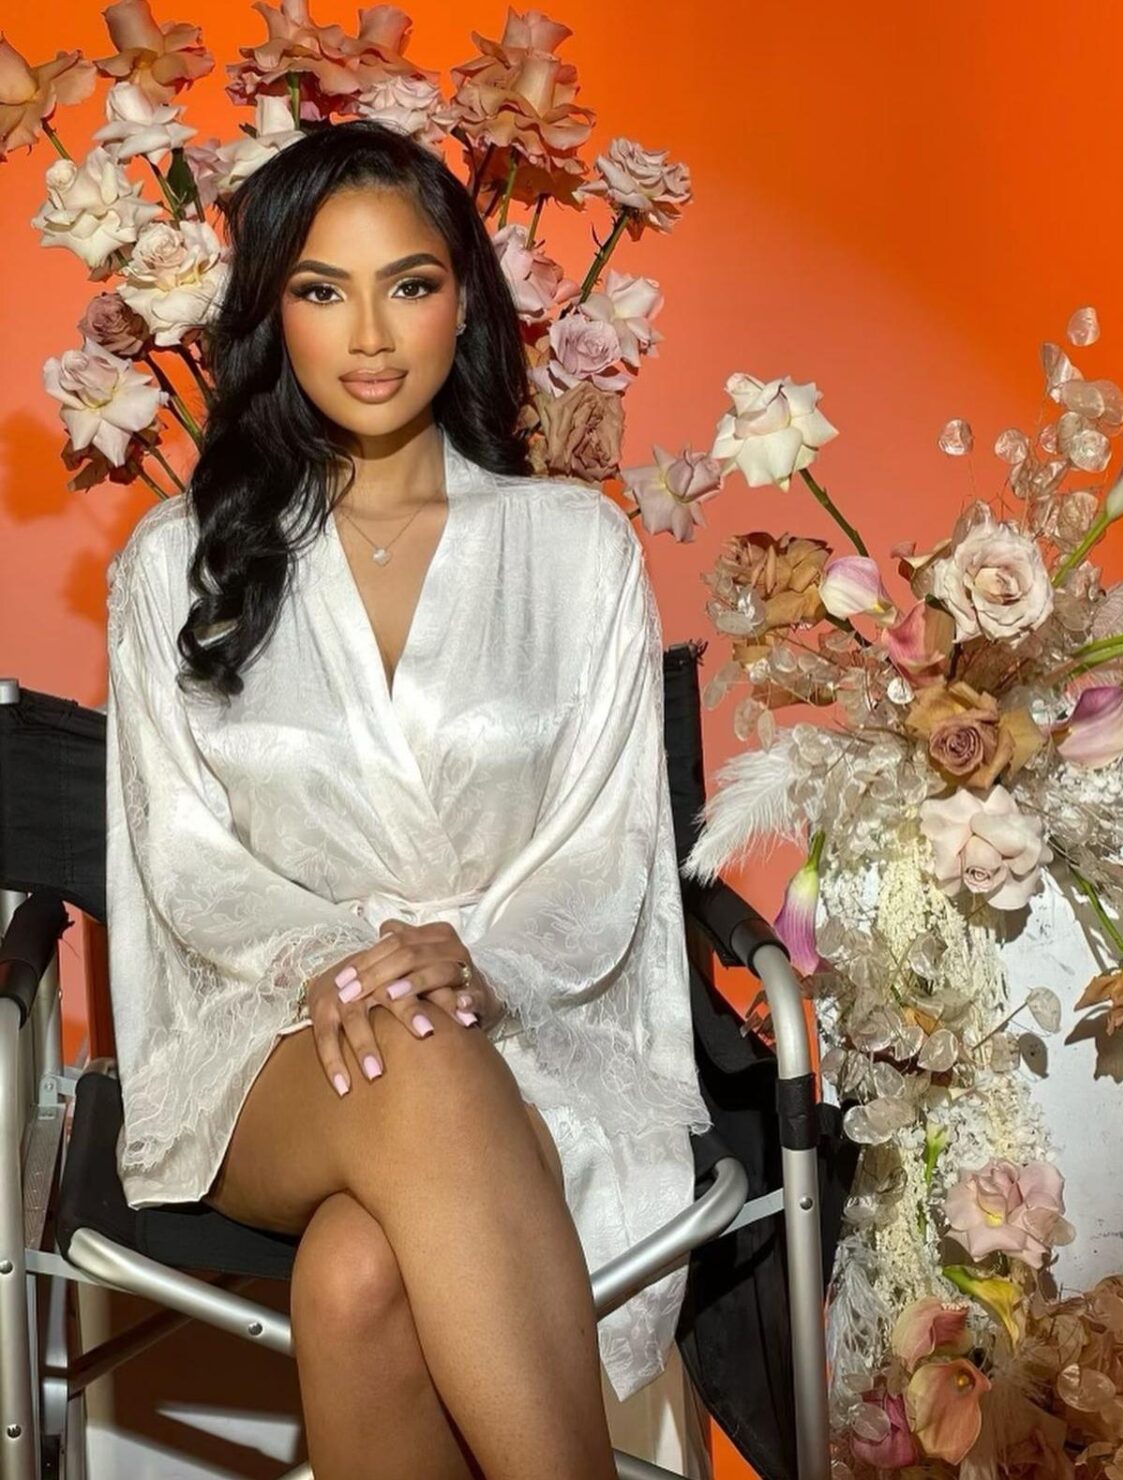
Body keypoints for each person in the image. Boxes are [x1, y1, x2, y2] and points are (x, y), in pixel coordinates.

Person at [103, 119, 713, 1479]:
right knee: (413, 1041)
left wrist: (481, 960)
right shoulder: (173, 564)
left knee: (357, 1277)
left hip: (532, 1015)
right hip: (270, 1035)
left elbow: (604, 843)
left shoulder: (574, 550)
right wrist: (340, 960)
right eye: (323, 291)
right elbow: (182, 856)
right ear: (273, 318)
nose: (371, 336)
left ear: (466, 303)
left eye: (411, 285)